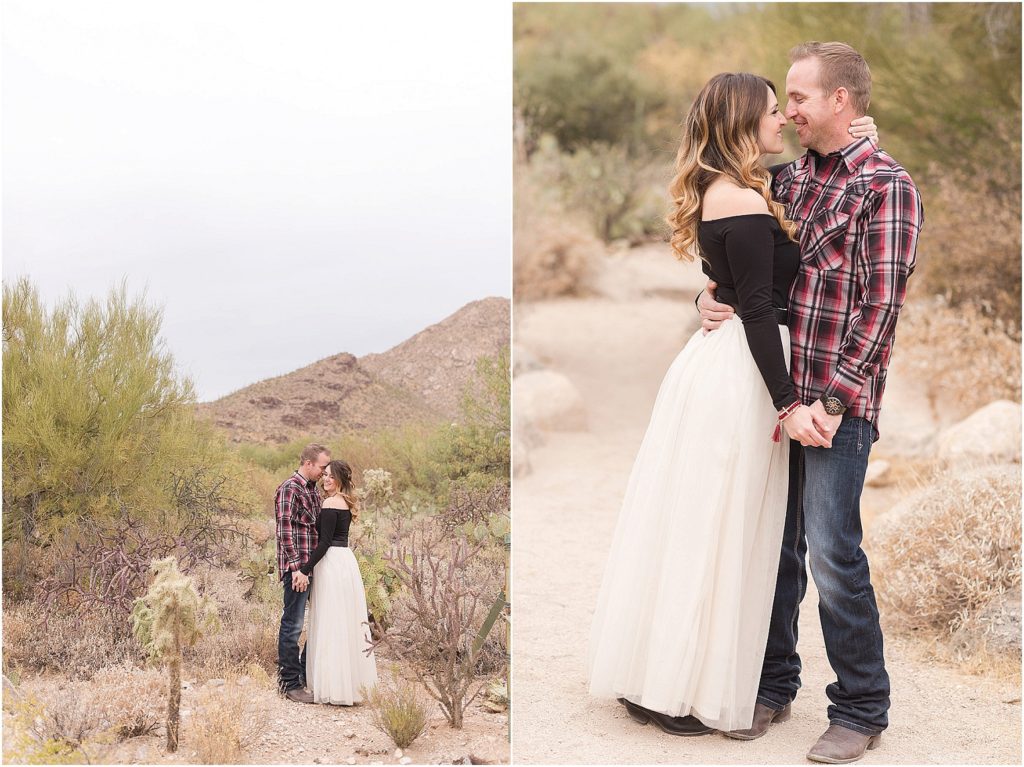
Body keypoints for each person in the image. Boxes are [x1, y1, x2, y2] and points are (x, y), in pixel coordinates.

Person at [588, 72, 878, 738]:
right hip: (748, 371)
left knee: (728, 526)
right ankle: (681, 682)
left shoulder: (746, 187)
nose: (781, 120)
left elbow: (737, 269)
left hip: (739, 363)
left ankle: (705, 674)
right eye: (774, 111)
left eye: (788, 108)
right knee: (719, 524)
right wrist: (785, 404)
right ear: (747, 121)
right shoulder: (738, 199)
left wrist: (859, 142)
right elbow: (753, 304)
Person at [699, 42, 923, 764]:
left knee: (832, 551)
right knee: (776, 544)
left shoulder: (888, 186)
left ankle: (861, 706)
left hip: (837, 401)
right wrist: (707, 295)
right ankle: (772, 682)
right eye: (783, 100)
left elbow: (880, 307)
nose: (786, 110)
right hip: (779, 395)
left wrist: (829, 401)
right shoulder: (786, 182)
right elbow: (750, 268)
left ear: (840, 102)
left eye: (798, 98)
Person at [300, 459, 378, 704]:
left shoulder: (331, 502)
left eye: (331, 476)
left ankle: (333, 687)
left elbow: (323, 542)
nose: (326, 479)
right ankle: (349, 685)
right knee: (344, 620)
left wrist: (305, 568)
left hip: (331, 562)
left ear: (341, 479)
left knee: (330, 620)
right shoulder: (345, 502)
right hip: (345, 560)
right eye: (325, 475)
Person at [275, 443, 331, 703]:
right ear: (308, 463)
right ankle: (289, 683)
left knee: (319, 621)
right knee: (293, 624)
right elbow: (285, 531)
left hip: (313, 568)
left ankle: (305, 674)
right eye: (322, 467)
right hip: (297, 570)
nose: (324, 472)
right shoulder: (290, 489)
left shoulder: (313, 492)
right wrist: (297, 568)